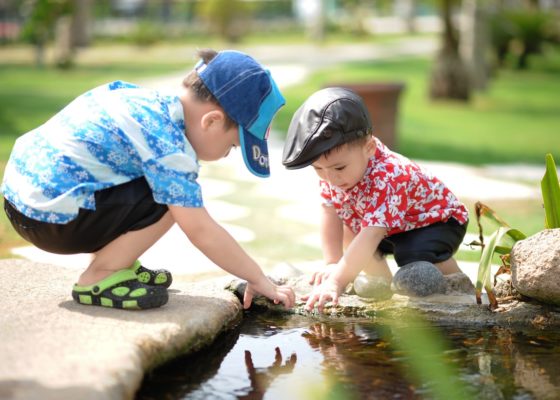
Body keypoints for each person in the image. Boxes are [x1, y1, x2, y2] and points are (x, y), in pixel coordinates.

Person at [2, 49, 295, 311]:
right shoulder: (168, 146)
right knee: (175, 201)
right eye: (232, 146)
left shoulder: (146, 103)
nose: (227, 155)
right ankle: (101, 275)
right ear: (212, 121)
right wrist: (257, 278)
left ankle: (119, 262)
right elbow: (201, 230)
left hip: (22, 201)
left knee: (162, 186)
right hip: (50, 220)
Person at [282, 87, 468, 313]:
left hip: (435, 222)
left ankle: (457, 285)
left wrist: (336, 282)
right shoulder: (334, 173)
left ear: (369, 148)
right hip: (392, 226)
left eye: (339, 167)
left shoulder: (389, 175)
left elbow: (372, 233)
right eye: (318, 169)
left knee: (412, 255)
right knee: (351, 229)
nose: (330, 178)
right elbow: (329, 211)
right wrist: (332, 262)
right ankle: (381, 287)